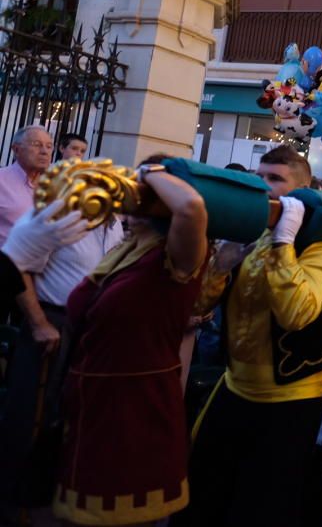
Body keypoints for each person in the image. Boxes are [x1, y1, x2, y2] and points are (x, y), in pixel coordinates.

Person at [184, 146, 322, 527]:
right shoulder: (249, 234)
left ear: (302, 192)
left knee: (264, 503)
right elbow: (199, 306)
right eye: (260, 177)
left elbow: (297, 315)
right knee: (204, 488)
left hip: (288, 397)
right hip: (234, 385)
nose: (264, 186)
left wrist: (283, 243)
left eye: (275, 179)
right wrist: (219, 267)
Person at [51, 156, 208, 525]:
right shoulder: (127, 246)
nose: (130, 195)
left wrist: (152, 175)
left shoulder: (178, 257)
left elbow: (192, 208)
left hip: (137, 417)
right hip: (92, 410)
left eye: (142, 192)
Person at [0, 203, 122, 516]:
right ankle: (14, 500)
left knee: (67, 411)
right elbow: (19, 267)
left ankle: (44, 492)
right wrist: (39, 322)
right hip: (52, 321)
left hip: (90, 327)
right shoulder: (61, 221)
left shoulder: (116, 226)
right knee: (30, 411)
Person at [0, 126, 53, 246]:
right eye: (37, 144)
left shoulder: (56, 185)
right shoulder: (2, 180)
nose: (44, 151)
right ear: (17, 149)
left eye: (49, 146)